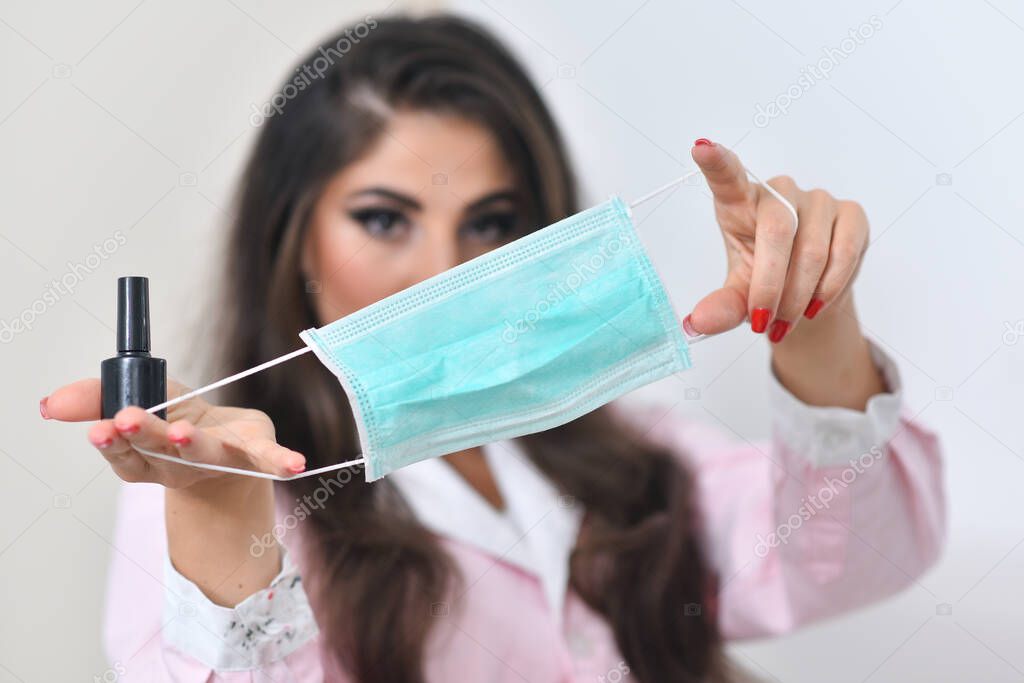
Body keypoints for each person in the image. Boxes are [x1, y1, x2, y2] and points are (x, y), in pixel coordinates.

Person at [41, 14, 945, 683]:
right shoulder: (233, 488)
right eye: (385, 218)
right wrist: (216, 512)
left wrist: (815, 312)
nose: (444, 271)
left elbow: (852, 558)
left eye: (493, 222)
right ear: (294, 238)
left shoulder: (624, 447)